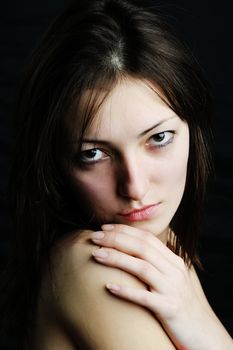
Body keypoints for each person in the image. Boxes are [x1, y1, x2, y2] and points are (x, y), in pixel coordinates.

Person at [1, 0, 232, 349]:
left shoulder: (162, 247)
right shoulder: (99, 266)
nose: (134, 187)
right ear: (57, 164)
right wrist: (213, 338)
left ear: (192, 129)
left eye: (158, 138)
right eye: (93, 154)